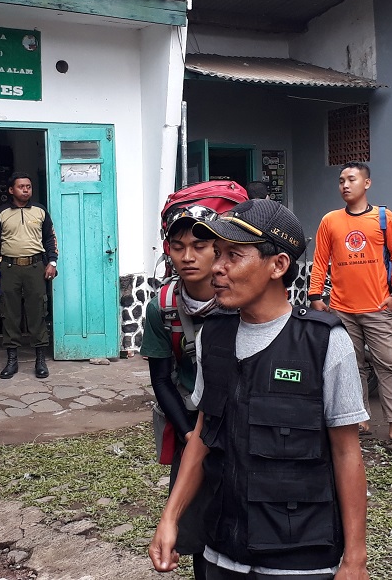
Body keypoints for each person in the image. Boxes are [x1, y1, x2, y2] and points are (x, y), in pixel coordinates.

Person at [149, 198, 369, 580]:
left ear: (278, 265)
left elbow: (347, 453)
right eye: (217, 253)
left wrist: (355, 559)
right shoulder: (212, 338)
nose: (216, 267)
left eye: (233, 255)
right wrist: (170, 518)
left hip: (300, 558)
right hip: (221, 551)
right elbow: (202, 437)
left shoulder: (323, 343)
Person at [142, 194, 241, 580]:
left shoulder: (238, 301)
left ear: (217, 248)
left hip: (239, 421)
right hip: (190, 422)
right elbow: (161, 379)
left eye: (200, 246)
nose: (188, 256)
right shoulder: (163, 307)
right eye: (178, 246)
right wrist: (186, 433)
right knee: (195, 525)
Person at [308, 161, 392, 446]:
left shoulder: (383, 217)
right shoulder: (330, 221)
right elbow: (320, 262)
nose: (345, 185)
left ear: (366, 183)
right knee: (352, 367)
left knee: (387, 365)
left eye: (351, 179)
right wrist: (316, 296)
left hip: (377, 308)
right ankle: (359, 418)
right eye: (341, 180)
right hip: (341, 309)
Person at [0, 172, 58, 379]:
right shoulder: (2, 213)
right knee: (10, 313)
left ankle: (40, 360)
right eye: (21, 187)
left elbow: (50, 238)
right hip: (9, 268)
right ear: (11, 190)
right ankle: (12, 360)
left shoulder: (40, 211)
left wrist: (52, 262)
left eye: (29, 187)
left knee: (37, 312)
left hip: (35, 268)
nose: (26, 190)